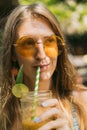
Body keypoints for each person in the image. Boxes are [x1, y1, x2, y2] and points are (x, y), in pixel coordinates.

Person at [0, 3, 87, 130]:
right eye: (28, 44)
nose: (41, 55)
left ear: (58, 46)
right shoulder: (3, 112)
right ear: (13, 54)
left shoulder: (83, 101)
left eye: (50, 41)